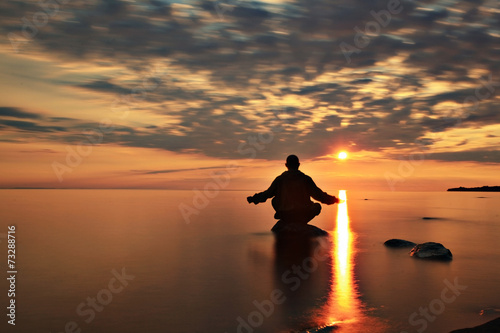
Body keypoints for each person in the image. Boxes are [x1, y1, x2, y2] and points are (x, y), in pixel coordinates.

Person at [247, 155, 339, 231]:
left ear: (286, 165)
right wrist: (334, 200)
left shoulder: (280, 179)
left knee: (275, 200)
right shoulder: (305, 179)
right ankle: (297, 223)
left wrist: (254, 198)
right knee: (317, 206)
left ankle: (284, 220)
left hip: (285, 215)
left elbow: (267, 194)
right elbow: (319, 195)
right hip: (302, 215)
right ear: (298, 165)